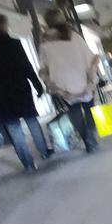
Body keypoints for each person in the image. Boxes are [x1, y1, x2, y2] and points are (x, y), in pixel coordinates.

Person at [0, 14, 50, 173]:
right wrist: (37, 86)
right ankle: (43, 152)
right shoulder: (14, 44)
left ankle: (28, 163)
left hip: (0, 94)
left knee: (14, 129)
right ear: (4, 25)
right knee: (32, 122)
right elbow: (27, 67)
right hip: (20, 89)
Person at [40, 9, 101, 154]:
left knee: (75, 112)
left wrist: (50, 83)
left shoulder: (45, 44)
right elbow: (91, 59)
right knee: (89, 110)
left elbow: (43, 69)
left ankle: (87, 141)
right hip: (83, 81)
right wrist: (93, 77)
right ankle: (91, 136)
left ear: (47, 23)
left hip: (63, 86)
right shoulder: (75, 37)